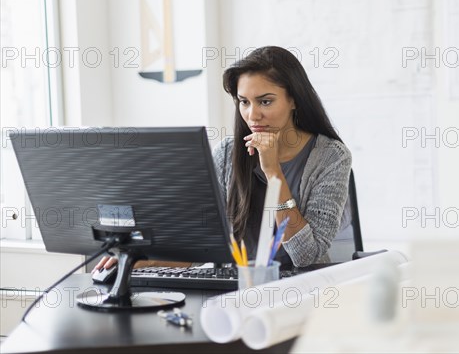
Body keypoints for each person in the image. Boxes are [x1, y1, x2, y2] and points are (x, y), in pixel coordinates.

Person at [94, 46, 351, 271]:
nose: (252, 115)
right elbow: (203, 244)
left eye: (265, 101)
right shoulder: (228, 153)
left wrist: (274, 173)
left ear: (294, 99)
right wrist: (146, 260)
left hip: (302, 293)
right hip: (235, 291)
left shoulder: (331, 157)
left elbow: (306, 256)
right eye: (244, 102)